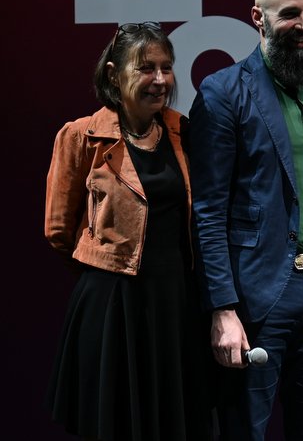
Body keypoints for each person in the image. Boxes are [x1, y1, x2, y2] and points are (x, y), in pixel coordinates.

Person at [188, 0, 303, 441]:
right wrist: (223, 309)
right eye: (289, 14)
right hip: (257, 296)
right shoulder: (223, 92)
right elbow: (208, 211)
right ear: (258, 17)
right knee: (246, 431)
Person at [43, 22, 212, 440]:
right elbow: (58, 230)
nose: (160, 80)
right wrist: (105, 269)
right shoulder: (81, 136)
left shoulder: (183, 131)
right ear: (114, 74)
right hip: (113, 306)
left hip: (175, 304)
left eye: (166, 68)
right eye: (146, 68)